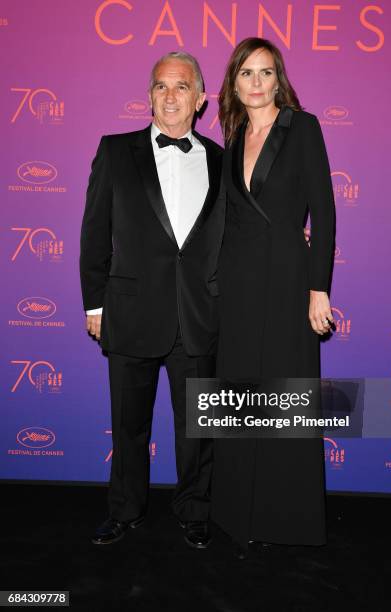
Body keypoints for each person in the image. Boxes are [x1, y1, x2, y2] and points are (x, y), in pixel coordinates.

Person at [80, 52, 225, 549]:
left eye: (181, 87)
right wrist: (95, 306)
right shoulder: (116, 151)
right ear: (148, 96)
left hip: (198, 316)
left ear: (201, 98)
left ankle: (194, 511)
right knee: (128, 425)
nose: (170, 96)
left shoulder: (223, 161)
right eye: (161, 86)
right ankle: (124, 510)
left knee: (198, 430)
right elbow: (94, 234)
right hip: (130, 312)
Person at [211, 38, 336, 555]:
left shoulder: (302, 127)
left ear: (278, 79)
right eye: (247, 73)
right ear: (233, 83)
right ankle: (236, 513)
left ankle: (288, 517)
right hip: (238, 283)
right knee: (240, 391)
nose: (257, 82)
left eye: (266, 72)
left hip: (288, 278)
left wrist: (319, 288)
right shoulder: (233, 135)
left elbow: (324, 213)